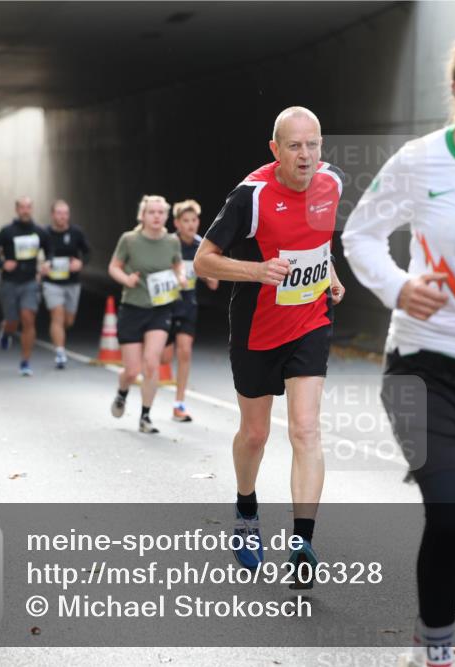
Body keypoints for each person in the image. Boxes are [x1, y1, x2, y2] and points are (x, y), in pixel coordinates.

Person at [343, 25, 455, 667]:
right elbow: (361, 235)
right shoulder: (421, 161)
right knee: (449, 511)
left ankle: (434, 629)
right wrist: (397, 286)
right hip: (421, 366)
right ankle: (434, 650)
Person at [194, 106, 345, 585]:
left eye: (313, 145)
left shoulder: (333, 184)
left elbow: (317, 242)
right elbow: (204, 261)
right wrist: (258, 271)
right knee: (255, 435)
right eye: (294, 146)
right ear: (275, 149)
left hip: (310, 319)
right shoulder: (251, 196)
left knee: (306, 431)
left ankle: (302, 543)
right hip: (258, 328)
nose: (305, 155)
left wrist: (332, 275)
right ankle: (245, 508)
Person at [108, 195, 184, 433]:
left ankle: (145, 416)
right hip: (132, 307)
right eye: (152, 212)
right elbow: (114, 267)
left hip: (160, 309)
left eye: (161, 212)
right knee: (131, 370)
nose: (156, 216)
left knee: (151, 363)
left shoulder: (172, 241)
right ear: (143, 215)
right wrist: (126, 279)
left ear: (166, 216)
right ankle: (122, 393)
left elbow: (177, 264)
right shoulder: (129, 240)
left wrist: (180, 276)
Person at [162, 199, 218, 421]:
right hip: (166, 305)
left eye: (193, 220)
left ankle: (179, 403)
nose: (190, 224)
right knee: (165, 357)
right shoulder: (167, 244)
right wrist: (174, 274)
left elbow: (214, 284)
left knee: (184, 352)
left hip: (187, 305)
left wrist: (203, 273)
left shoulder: (201, 246)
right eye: (185, 220)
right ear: (177, 223)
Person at [0, 197, 51, 376]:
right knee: (13, 322)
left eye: (28, 207)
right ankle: (6, 331)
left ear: (32, 209)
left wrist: (48, 263)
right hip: (9, 282)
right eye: (22, 207)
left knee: (28, 318)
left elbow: (50, 248)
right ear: (17, 209)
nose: (25, 210)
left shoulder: (39, 231)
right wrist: (1, 264)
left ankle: (25, 361)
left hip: (30, 282)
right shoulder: (7, 231)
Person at [41, 199, 90, 369]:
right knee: (57, 315)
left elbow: (88, 252)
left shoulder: (76, 233)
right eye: (59, 213)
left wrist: (81, 263)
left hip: (71, 282)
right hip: (52, 283)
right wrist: (42, 265)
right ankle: (60, 352)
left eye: (65, 213)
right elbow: (36, 253)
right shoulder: (44, 233)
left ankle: (60, 338)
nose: (63, 217)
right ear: (53, 215)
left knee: (68, 320)